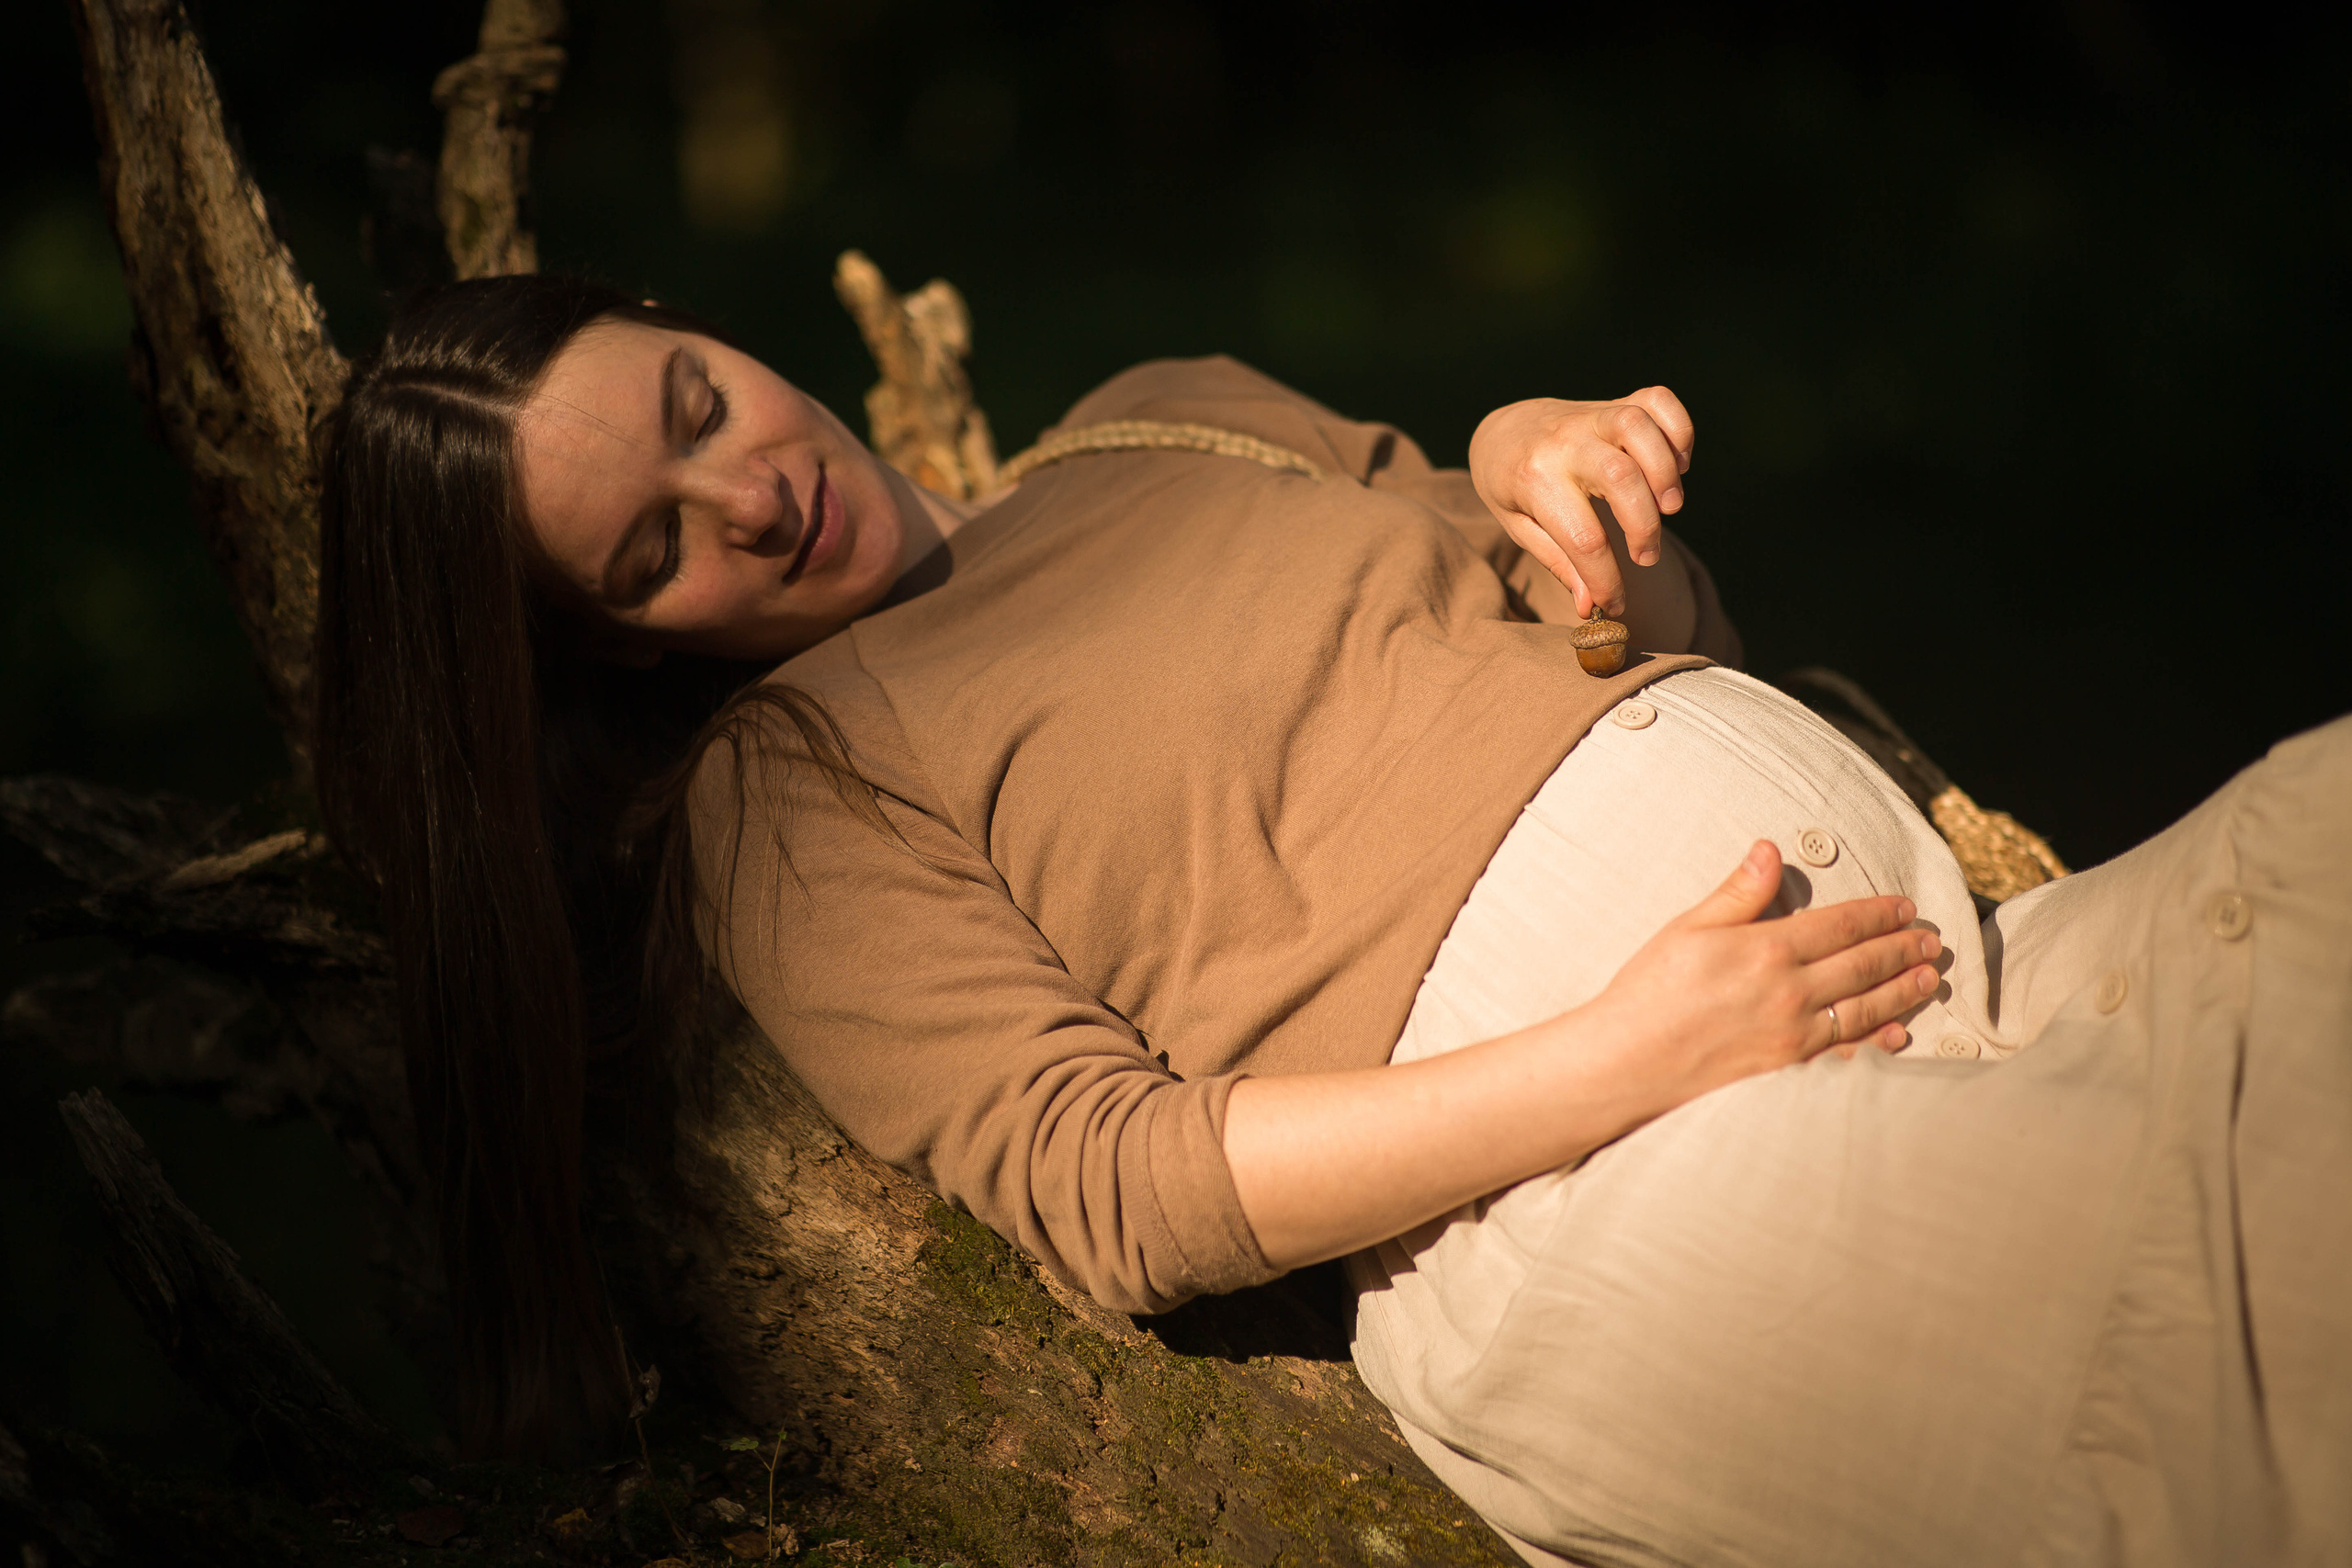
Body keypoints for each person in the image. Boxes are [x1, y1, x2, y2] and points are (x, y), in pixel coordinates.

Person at [314, 275, 2350, 1564]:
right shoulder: (791, 786)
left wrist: (1565, 493)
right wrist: (1623, 1052)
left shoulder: (1154, 411)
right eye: (653, 550)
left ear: (703, 325)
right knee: (2231, 1364)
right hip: (1614, 1180)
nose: (745, 496)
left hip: (1940, 954)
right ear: (611, 649)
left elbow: (1675, 644)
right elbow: (1104, 1186)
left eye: (689, 409)